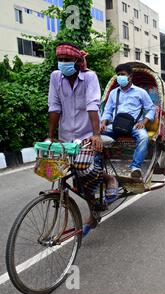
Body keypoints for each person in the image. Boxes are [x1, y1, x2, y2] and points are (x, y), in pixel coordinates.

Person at [47, 42, 115, 234]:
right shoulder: (55, 77)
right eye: (60, 60)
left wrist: (96, 134)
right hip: (66, 135)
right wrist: (49, 137)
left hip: (87, 133)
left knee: (83, 167)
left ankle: (108, 179)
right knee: (74, 178)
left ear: (77, 61)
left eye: (67, 60)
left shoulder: (89, 77)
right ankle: (95, 208)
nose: (63, 63)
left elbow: (92, 105)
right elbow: (54, 106)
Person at [101, 63, 156, 179]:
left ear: (130, 76)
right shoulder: (113, 92)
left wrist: (144, 122)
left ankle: (135, 167)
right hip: (116, 125)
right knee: (95, 135)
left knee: (144, 137)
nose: (120, 76)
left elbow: (151, 108)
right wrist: (103, 123)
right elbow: (107, 110)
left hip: (134, 126)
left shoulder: (140, 92)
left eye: (123, 74)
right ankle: (97, 165)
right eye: (118, 75)